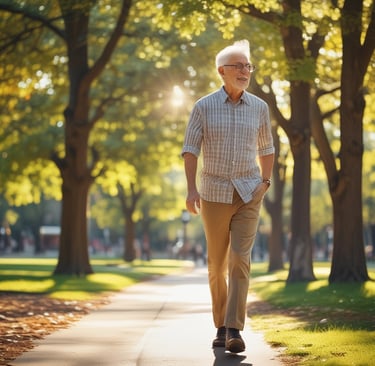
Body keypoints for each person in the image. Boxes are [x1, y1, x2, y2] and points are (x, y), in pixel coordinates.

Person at [181, 40, 274, 354]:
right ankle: (220, 325)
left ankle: (234, 328)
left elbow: (267, 148)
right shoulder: (203, 106)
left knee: (239, 259)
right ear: (222, 71)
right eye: (239, 66)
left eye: (248, 66)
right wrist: (192, 189)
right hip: (214, 193)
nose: (245, 71)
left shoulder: (260, 107)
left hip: (249, 192)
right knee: (217, 263)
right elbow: (190, 149)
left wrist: (265, 182)